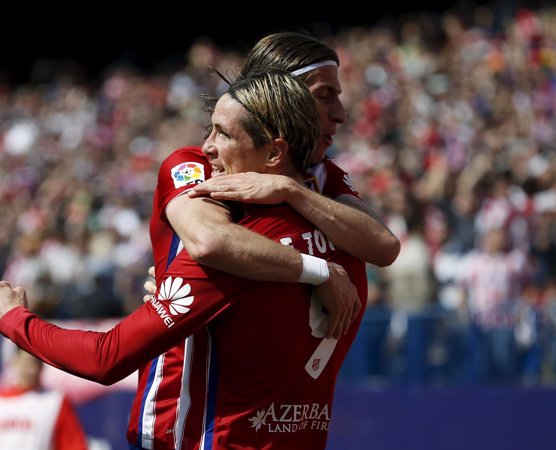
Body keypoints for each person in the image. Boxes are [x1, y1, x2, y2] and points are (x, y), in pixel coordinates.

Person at [0, 70, 355, 449]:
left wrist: (14, 320)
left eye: (224, 134)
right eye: (209, 131)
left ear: (274, 152)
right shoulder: (346, 234)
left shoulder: (234, 253)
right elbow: (383, 246)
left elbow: (105, 358)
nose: (206, 148)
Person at [131, 30, 399, 450]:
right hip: (184, 424)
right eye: (325, 95)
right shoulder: (196, 164)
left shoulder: (321, 178)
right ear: (280, 94)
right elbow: (208, 240)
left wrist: (290, 191)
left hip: (274, 425)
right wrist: (318, 272)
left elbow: (383, 246)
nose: (341, 112)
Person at [0, 344, 88, 450]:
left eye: (36, 363)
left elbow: (74, 446)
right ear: (15, 361)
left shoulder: (54, 401)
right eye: (28, 362)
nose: (32, 370)